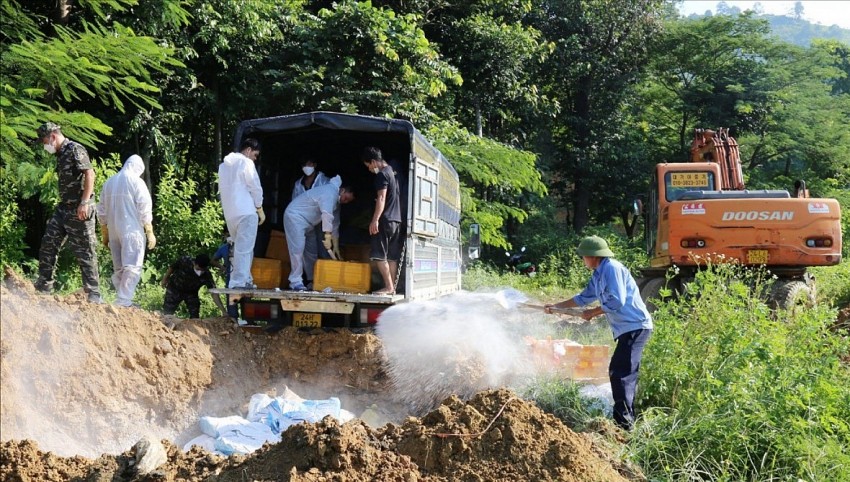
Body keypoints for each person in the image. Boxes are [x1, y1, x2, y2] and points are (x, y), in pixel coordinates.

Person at [544, 236, 653, 431]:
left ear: (593, 256)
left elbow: (617, 300)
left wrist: (593, 313)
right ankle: (625, 421)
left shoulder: (612, 268)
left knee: (621, 373)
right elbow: (583, 298)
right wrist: (556, 306)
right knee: (619, 371)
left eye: (583, 257)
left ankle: (625, 425)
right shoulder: (598, 274)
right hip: (626, 328)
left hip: (636, 326)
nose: (582, 260)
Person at [33, 122, 103, 303]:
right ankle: (44, 285)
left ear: (53, 136)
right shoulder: (60, 153)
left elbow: (90, 174)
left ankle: (93, 293)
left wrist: (85, 202)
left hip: (80, 208)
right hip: (64, 208)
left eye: (44, 141)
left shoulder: (74, 149)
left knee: (85, 250)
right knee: (49, 242)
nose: (44, 145)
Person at [97, 154, 156, 307]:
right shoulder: (136, 181)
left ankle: (122, 298)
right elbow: (144, 207)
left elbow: (101, 210)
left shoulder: (109, 182)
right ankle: (123, 300)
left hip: (114, 232)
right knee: (132, 266)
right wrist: (149, 230)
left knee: (119, 267)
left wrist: (105, 232)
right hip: (131, 230)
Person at [283, 176, 355, 291]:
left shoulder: (337, 202)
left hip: (309, 223)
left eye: (348, 201)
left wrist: (335, 244)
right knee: (297, 250)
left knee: (311, 252)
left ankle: (312, 280)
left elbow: (335, 223)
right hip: (295, 217)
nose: (344, 201)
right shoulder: (330, 192)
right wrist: (327, 235)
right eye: (346, 198)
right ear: (342, 190)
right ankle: (295, 281)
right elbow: (326, 214)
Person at [219, 138, 264, 289]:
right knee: (244, 250)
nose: (255, 159)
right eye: (255, 155)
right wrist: (259, 207)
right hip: (246, 212)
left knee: (240, 249)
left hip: (231, 214)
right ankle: (239, 283)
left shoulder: (223, 166)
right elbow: (255, 187)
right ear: (249, 150)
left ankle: (246, 279)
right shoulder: (246, 163)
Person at [361, 146, 401, 294]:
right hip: (396, 220)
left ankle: (389, 287)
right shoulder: (392, 171)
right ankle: (393, 287)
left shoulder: (382, 175)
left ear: (373, 162)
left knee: (379, 255)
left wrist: (375, 220)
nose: (370, 170)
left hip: (385, 220)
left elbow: (382, 197)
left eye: (369, 166)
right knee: (391, 256)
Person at [292, 157, 333, 277]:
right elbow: (294, 202)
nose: (306, 167)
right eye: (304, 164)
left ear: (314, 164)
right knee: (306, 251)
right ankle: (311, 279)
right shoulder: (298, 184)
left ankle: (326, 278)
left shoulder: (325, 181)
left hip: (320, 220)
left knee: (323, 249)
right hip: (304, 221)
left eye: (309, 163)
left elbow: (329, 205)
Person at [161, 253, 227, 318]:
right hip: (175, 289)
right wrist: (165, 279)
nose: (200, 272)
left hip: (191, 293)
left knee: (195, 315)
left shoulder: (206, 275)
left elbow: (214, 293)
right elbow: (172, 267)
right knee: (167, 312)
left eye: (202, 270)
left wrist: (223, 311)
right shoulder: (185, 261)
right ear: (194, 263)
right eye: (198, 269)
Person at [211, 234, 239, 319]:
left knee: (232, 300)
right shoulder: (244, 246)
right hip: (240, 278)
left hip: (231, 279)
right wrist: (222, 267)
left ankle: (234, 321)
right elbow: (213, 260)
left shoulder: (224, 247)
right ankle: (237, 320)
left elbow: (213, 260)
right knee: (234, 299)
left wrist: (222, 267)